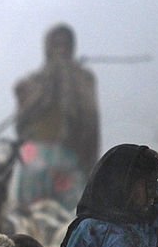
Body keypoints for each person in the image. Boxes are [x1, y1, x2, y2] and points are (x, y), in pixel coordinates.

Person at [13, 23, 99, 211]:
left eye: (65, 44)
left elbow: (89, 123)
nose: (60, 48)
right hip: (34, 160)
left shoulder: (83, 80)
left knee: (69, 221)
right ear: (48, 47)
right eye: (56, 44)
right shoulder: (32, 82)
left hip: (69, 159)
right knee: (29, 219)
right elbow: (22, 120)